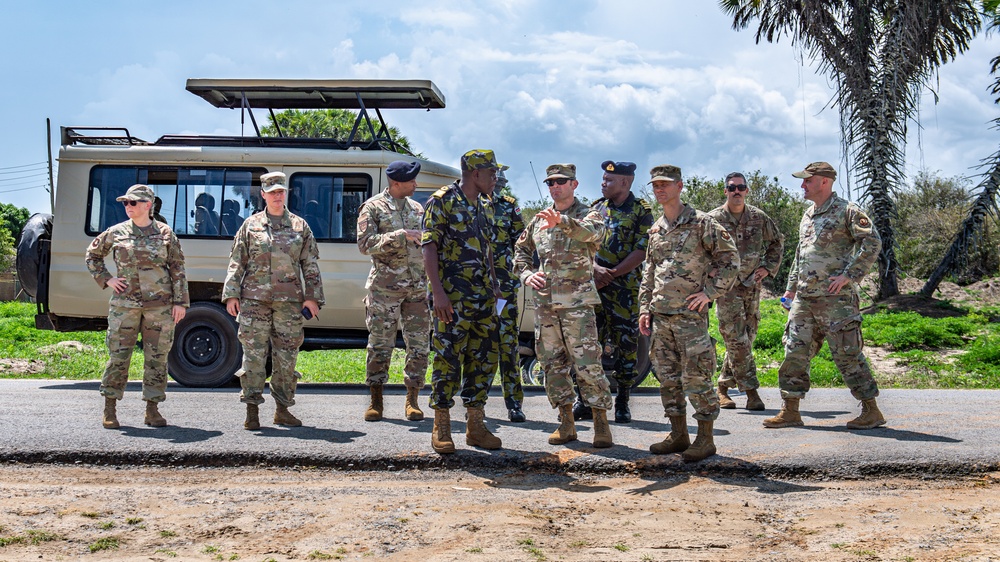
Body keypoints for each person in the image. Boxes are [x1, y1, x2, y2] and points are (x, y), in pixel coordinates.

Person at [764, 161, 885, 430]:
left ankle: (871, 410)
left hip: (835, 300)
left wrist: (850, 276)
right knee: (794, 352)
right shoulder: (808, 214)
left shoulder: (848, 211)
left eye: (808, 180)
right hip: (804, 299)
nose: (802, 185)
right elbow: (801, 254)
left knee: (847, 354)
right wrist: (790, 289)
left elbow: (872, 241)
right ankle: (791, 410)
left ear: (824, 182)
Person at [638, 165, 740, 462]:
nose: (660, 189)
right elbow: (650, 271)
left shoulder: (702, 223)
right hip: (661, 316)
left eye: (665, 184)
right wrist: (645, 308)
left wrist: (709, 292)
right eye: (655, 184)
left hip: (689, 317)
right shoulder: (656, 228)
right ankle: (678, 434)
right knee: (668, 379)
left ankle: (705, 438)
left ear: (680, 186)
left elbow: (730, 259)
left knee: (696, 377)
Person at [514, 163, 614, 449]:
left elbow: (592, 235)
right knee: (552, 365)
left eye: (561, 181)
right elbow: (520, 251)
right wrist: (527, 274)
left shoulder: (589, 215)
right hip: (545, 306)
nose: (555, 187)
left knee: (587, 365)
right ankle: (566, 422)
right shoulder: (538, 220)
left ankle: (600, 423)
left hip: (577, 306)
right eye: (550, 183)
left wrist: (562, 222)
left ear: (575, 184)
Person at [223, 171, 324, 430]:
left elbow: (310, 265)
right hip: (254, 301)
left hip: (289, 303)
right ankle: (252, 410)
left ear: (285, 194)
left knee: (286, 358)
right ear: (264, 195)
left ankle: (282, 410)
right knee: (254, 356)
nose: (278, 196)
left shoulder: (300, 227)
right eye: (273, 192)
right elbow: (237, 261)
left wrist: (312, 298)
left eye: (281, 191)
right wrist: (232, 294)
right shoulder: (251, 225)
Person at [85, 184, 189, 429]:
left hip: (160, 308)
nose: (128, 207)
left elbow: (178, 268)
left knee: (157, 359)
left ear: (147, 205)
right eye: (125, 203)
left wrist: (180, 302)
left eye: (133, 203)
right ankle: (110, 409)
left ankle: (152, 410)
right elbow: (92, 255)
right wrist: (107, 279)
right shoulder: (116, 231)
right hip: (125, 307)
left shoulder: (165, 233)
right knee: (119, 357)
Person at [422, 149, 502, 454]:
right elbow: (429, 247)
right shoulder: (442, 200)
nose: (495, 178)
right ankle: (441, 424)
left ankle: (475, 425)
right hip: (451, 299)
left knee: (484, 357)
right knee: (447, 359)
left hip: (482, 298)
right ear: (476, 173)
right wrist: (438, 292)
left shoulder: (486, 204)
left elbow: (488, 248)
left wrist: (493, 282)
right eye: (491, 173)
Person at [356, 160, 431, 422]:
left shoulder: (417, 208)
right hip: (385, 289)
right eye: (411, 181)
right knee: (380, 345)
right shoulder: (373, 207)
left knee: (420, 346)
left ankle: (412, 400)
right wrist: (400, 235)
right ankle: (376, 400)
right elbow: (365, 244)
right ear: (396, 183)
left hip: (417, 289)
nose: (415, 184)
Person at [708, 172, 784, 411]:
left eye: (741, 187)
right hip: (726, 287)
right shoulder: (713, 219)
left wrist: (768, 268)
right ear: (726, 191)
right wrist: (710, 271)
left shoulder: (758, 218)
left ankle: (722, 387)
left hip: (752, 284)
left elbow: (777, 242)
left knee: (747, 337)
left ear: (747, 190)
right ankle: (751, 392)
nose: (737, 191)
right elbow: (698, 249)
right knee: (736, 338)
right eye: (732, 188)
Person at [586, 160, 653, 424]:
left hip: (624, 290)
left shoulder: (641, 211)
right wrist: (595, 270)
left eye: (609, 180)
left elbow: (642, 249)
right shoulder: (595, 209)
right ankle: (586, 400)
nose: (603, 183)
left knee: (626, 345)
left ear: (625, 182)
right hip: (595, 287)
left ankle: (622, 401)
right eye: (603, 179)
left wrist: (611, 274)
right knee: (590, 343)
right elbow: (583, 245)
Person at [489, 165, 527, 422]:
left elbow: (522, 242)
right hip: (475, 289)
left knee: (507, 346)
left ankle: (514, 403)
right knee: (475, 346)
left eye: (501, 182)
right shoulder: (468, 204)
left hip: (504, 290)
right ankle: (472, 400)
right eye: (496, 180)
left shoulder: (508, 206)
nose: (499, 185)